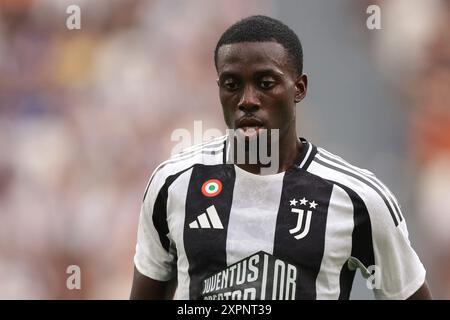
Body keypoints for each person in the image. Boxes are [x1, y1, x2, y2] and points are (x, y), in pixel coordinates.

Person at [130, 15, 432, 300]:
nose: (247, 100)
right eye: (232, 85)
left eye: (266, 83)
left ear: (298, 88)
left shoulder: (359, 199)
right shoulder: (173, 183)